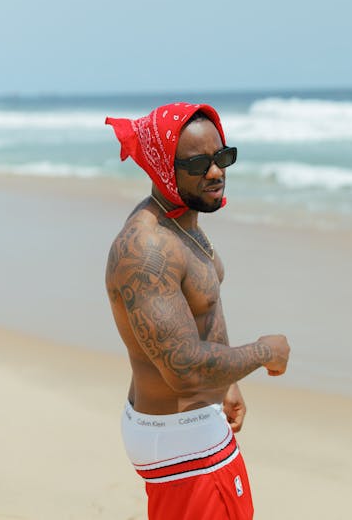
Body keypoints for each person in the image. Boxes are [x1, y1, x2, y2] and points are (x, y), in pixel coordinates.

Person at [105, 102, 290, 520]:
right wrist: (263, 352)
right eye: (198, 163)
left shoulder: (182, 217)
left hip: (188, 428)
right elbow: (184, 369)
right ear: (162, 168)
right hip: (181, 441)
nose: (216, 172)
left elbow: (199, 309)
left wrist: (225, 384)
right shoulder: (147, 248)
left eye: (223, 157)